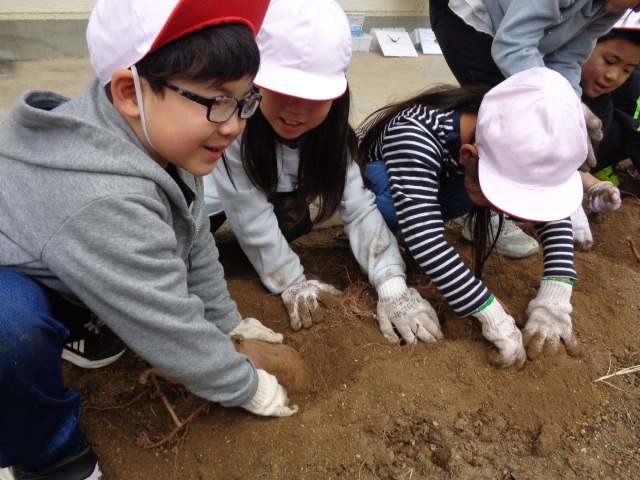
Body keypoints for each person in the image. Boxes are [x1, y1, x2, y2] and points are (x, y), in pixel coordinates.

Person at [0, 0, 302, 478]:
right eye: (217, 101)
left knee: (94, 274)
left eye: (245, 100)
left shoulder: (160, 139)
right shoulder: (102, 196)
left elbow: (194, 239)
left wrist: (229, 325)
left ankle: (67, 326)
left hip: (45, 255)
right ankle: (49, 455)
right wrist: (246, 386)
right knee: (10, 326)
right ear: (128, 92)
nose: (234, 125)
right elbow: (164, 322)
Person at [204, 0, 444, 346]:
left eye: (313, 96)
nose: (295, 110)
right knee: (188, 237)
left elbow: (359, 209)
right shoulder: (236, 131)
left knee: (292, 220)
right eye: (282, 90)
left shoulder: (334, 139)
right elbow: (250, 215)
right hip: (210, 202)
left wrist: (391, 284)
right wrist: (291, 282)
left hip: (270, 194)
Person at [358, 67, 589, 369]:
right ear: (469, 156)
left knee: (467, 193)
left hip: (440, 180)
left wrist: (556, 294)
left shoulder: (501, 137)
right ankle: (387, 239)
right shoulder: (415, 134)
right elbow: (425, 239)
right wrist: (490, 313)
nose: (515, 215)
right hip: (374, 186)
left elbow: (552, 213)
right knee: (389, 199)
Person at [573, 13, 640, 247]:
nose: (613, 76)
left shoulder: (602, 105)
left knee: (624, 130)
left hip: (559, 169)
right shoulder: (546, 77)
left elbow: (576, 162)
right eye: (609, 61)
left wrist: (592, 185)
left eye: (627, 70)